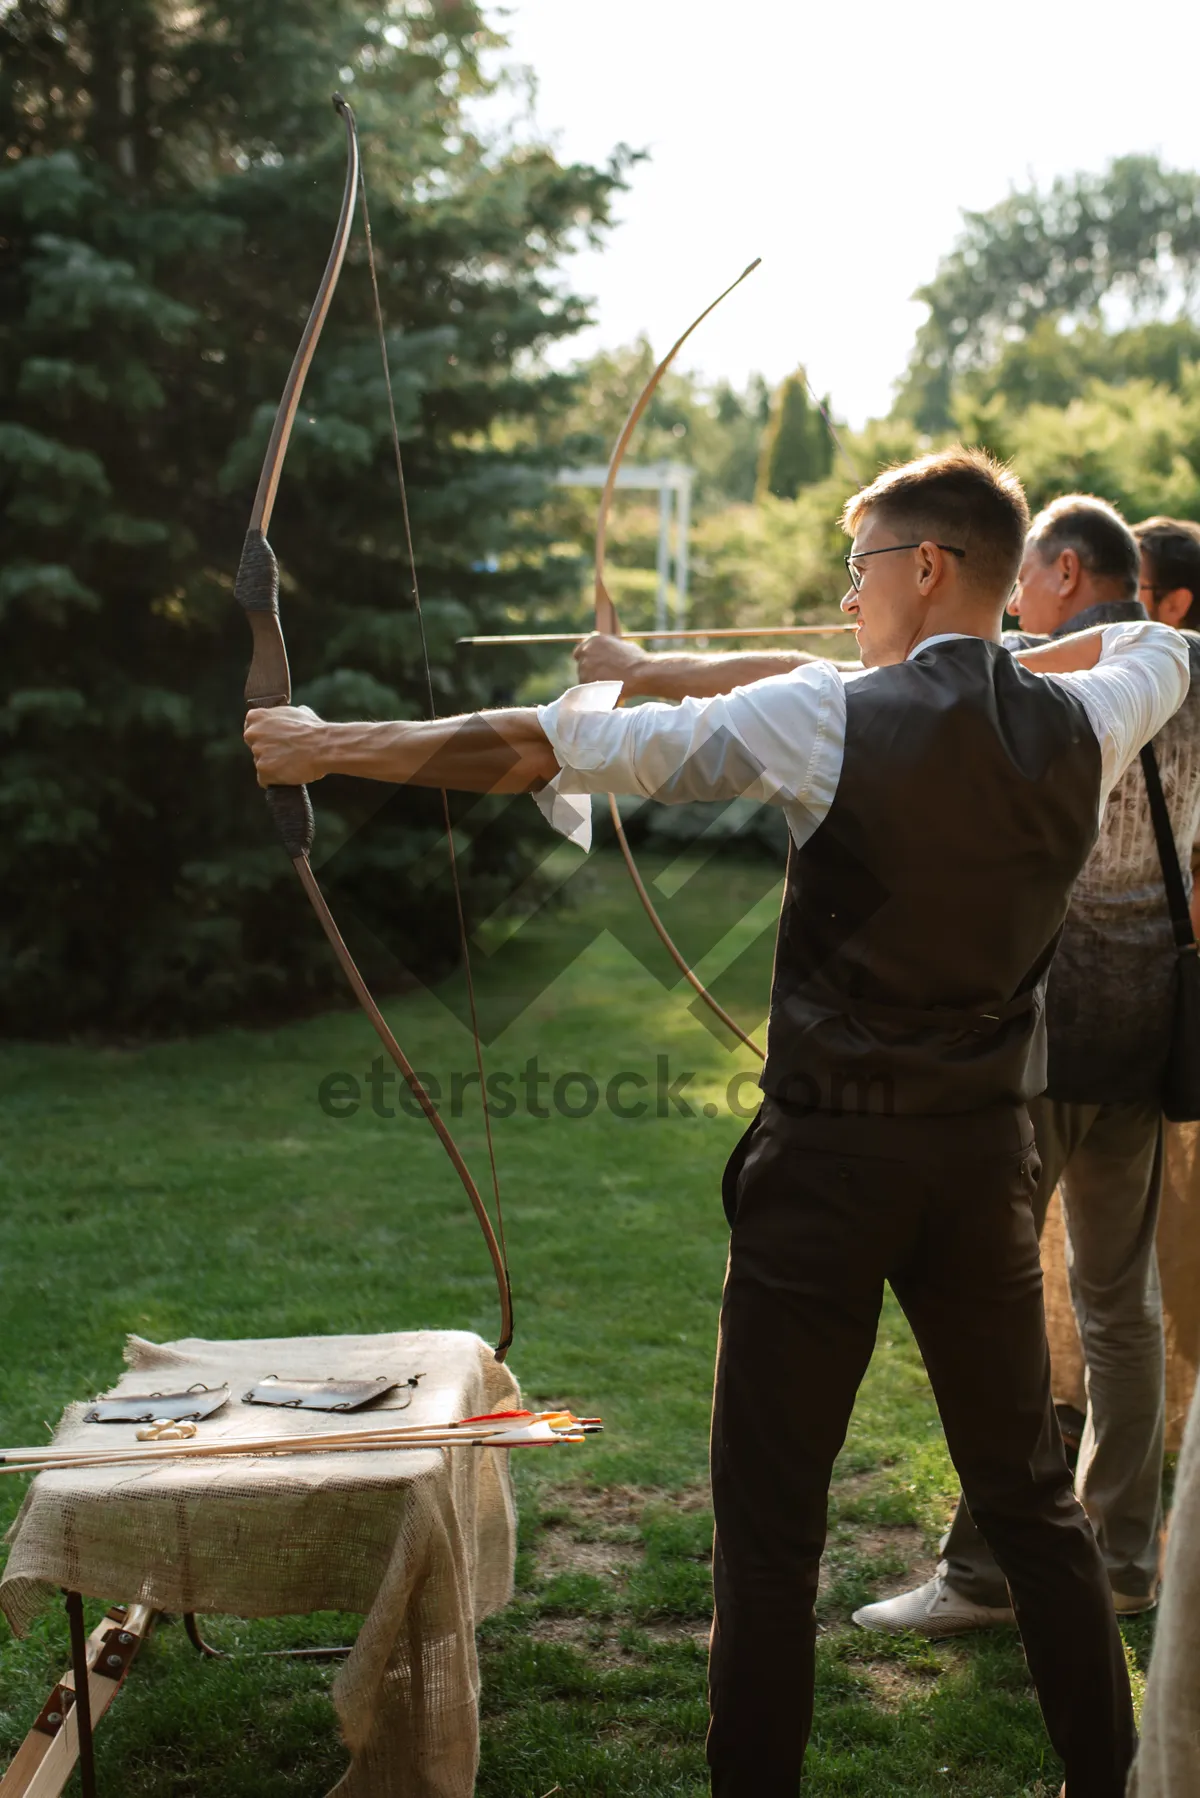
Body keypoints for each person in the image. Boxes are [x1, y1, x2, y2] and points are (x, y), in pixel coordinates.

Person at [245, 449, 1190, 1798]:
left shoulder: (828, 716)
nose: (846, 597)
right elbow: (1158, 640)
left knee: (767, 1535)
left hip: (828, 1173)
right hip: (986, 1167)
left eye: (860, 568)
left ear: (925, 567)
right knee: (1037, 1509)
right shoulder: (1093, 712)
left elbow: (546, 744)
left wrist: (323, 746)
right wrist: (999, 653)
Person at [847, 499, 1200, 1641]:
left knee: (994, 1298)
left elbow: (871, 688)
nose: (1015, 603)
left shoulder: (1050, 681)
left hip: (1046, 1027)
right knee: (1118, 1306)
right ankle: (1124, 1561)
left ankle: (988, 1568)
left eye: (1029, 581)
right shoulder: (1184, 672)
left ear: (1059, 570)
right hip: (1150, 1032)